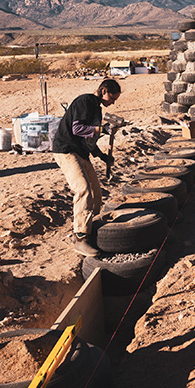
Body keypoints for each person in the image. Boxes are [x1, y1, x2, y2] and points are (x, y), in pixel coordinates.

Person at [52, 79, 122, 256]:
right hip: (66, 150)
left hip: (81, 152)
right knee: (83, 190)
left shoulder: (97, 109)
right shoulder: (85, 101)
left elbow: (89, 141)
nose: (113, 102)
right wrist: (103, 129)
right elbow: (78, 129)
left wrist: (102, 156)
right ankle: (81, 239)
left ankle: (90, 230)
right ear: (104, 90)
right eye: (112, 97)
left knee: (96, 193)